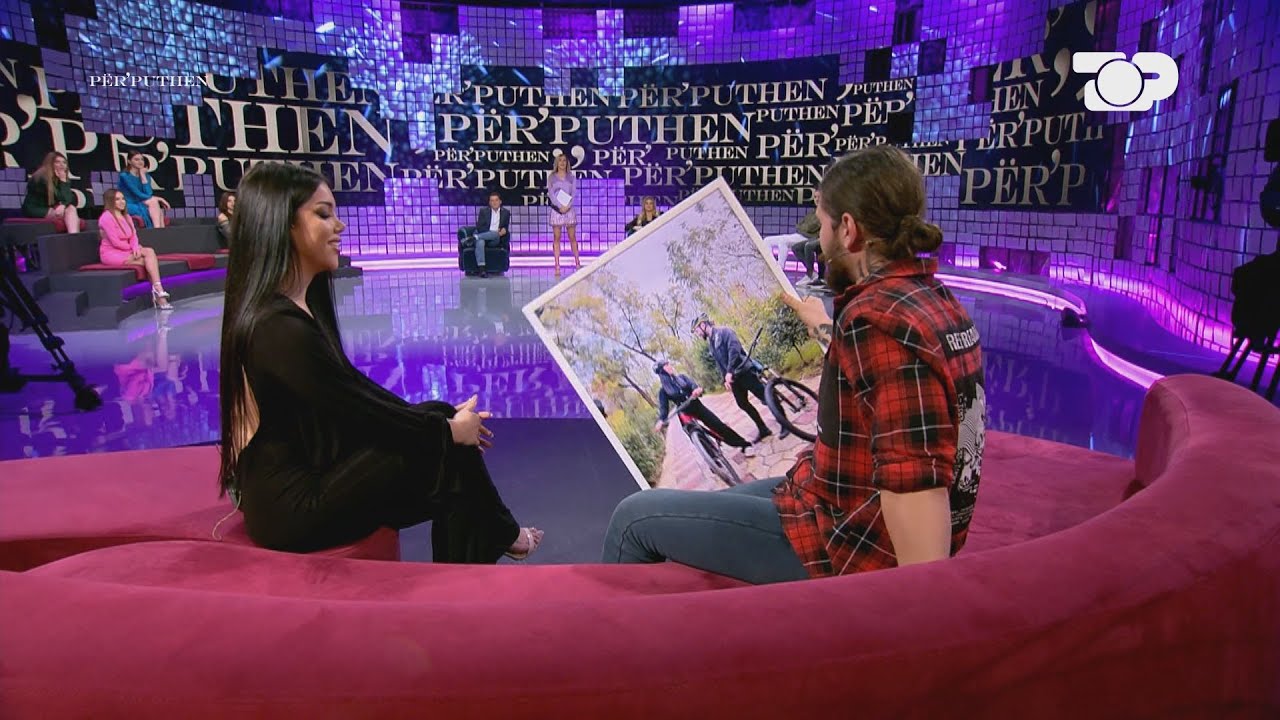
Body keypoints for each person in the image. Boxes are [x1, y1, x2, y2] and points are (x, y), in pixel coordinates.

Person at [602, 145, 986, 585]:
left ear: (848, 229)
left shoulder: (879, 324)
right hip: (828, 494)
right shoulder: (933, 301)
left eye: (822, 225)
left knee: (633, 518)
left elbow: (915, 498)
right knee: (714, 499)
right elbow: (880, 385)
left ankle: (607, 629)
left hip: (842, 541)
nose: (818, 243)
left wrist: (916, 612)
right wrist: (822, 326)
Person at [217, 161, 542, 562]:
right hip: (294, 507)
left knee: (441, 423)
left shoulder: (295, 309)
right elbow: (359, 410)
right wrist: (446, 433)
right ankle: (496, 541)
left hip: (315, 472)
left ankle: (488, 548)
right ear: (282, 224)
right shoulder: (277, 329)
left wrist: (441, 423)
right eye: (323, 214)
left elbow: (356, 392)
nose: (339, 226)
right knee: (450, 453)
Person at [690, 313, 780, 443]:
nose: (698, 334)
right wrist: (725, 379)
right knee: (742, 403)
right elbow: (720, 363)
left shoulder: (724, 332)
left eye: (697, 330)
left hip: (744, 370)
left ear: (703, 325)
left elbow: (734, 349)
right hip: (734, 379)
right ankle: (763, 428)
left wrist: (730, 371)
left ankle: (784, 422)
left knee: (765, 395)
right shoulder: (711, 343)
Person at [652, 359, 750, 450]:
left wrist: (696, 389)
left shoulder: (682, 377)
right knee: (692, 433)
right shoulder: (663, 391)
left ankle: (744, 445)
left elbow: (692, 384)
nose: (670, 366)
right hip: (685, 413)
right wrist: (661, 420)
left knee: (718, 425)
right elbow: (664, 408)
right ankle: (711, 455)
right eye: (666, 365)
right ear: (662, 372)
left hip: (697, 406)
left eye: (669, 364)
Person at [98, 189, 172, 309]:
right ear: (110, 201)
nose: (122, 202)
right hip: (112, 254)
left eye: (123, 199)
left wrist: (136, 246)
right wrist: (133, 249)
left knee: (149, 255)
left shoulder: (127, 216)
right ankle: (159, 294)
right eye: (117, 199)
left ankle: (158, 291)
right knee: (149, 260)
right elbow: (115, 242)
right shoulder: (106, 218)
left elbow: (133, 236)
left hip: (127, 251)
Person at [21, 151, 81, 233]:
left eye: (64, 162)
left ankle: (73, 235)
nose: (62, 165)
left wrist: (63, 205)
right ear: (50, 164)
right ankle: (74, 236)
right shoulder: (41, 177)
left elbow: (70, 199)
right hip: (35, 209)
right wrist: (63, 182)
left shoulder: (61, 179)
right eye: (57, 162)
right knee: (68, 212)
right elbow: (59, 196)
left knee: (71, 208)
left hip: (51, 208)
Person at [547, 153, 580, 276]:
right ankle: (557, 265)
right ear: (557, 163)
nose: (562, 163)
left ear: (567, 163)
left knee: (572, 237)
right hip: (557, 210)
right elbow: (551, 194)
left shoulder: (571, 177)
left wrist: (567, 206)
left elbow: (574, 193)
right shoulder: (551, 177)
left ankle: (577, 263)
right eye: (560, 160)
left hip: (569, 209)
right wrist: (559, 207)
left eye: (564, 160)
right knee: (557, 238)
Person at [118, 150, 169, 228]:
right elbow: (137, 193)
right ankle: (157, 230)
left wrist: (143, 175)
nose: (140, 162)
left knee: (157, 207)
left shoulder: (146, 176)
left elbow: (149, 193)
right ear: (129, 161)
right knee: (154, 203)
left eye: (142, 159)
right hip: (128, 204)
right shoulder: (125, 176)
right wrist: (158, 198)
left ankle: (159, 231)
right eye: (136, 159)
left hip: (141, 202)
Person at [467, 191, 510, 278]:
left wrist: (504, 230)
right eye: (492, 201)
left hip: (495, 239)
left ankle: (474, 238)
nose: (494, 202)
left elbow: (505, 227)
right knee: (480, 242)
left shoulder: (506, 213)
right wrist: (491, 232)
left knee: (495, 235)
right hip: (483, 234)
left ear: (500, 202)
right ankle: (482, 269)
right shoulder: (483, 211)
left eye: (496, 200)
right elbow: (480, 228)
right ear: (489, 203)